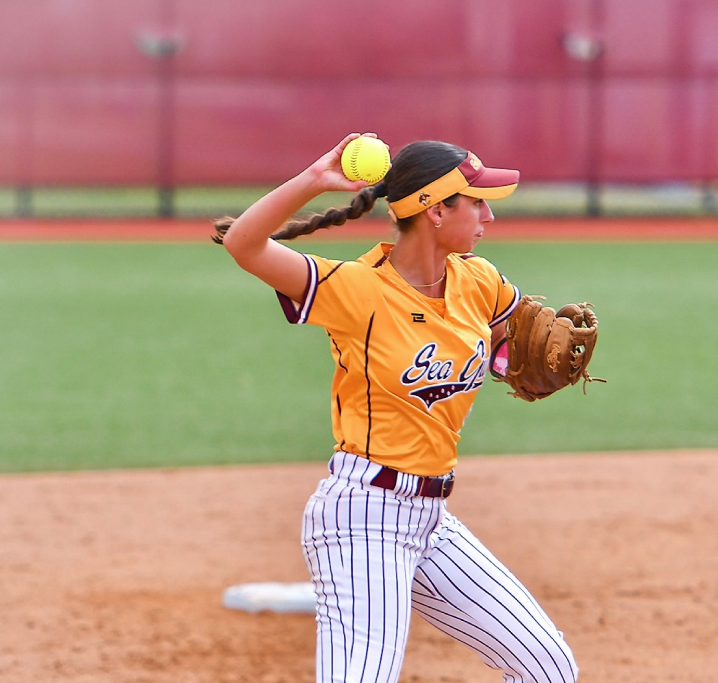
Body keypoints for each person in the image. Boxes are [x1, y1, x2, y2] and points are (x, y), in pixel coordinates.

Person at [215, 134, 580, 683]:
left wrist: (526, 366)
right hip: (362, 518)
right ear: (435, 211)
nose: (488, 215)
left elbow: (507, 349)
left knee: (548, 668)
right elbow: (244, 245)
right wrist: (315, 179)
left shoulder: (478, 281)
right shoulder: (355, 289)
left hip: (432, 521)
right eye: (475, 201)